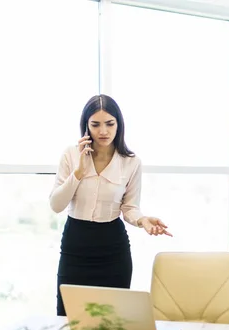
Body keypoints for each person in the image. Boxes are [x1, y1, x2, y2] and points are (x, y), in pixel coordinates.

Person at [49, 94, 172, 316]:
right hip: (76, 246)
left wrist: (143, 220)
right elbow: (56, 205)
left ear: (119, 124)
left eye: (109, 124)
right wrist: (78, 172)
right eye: (95, 124)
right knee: (69, 322)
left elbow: (129, 207)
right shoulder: (70, 155)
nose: (103, 131)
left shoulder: (131, 162)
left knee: (112, 327)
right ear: (86, 126)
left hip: (112, 250)